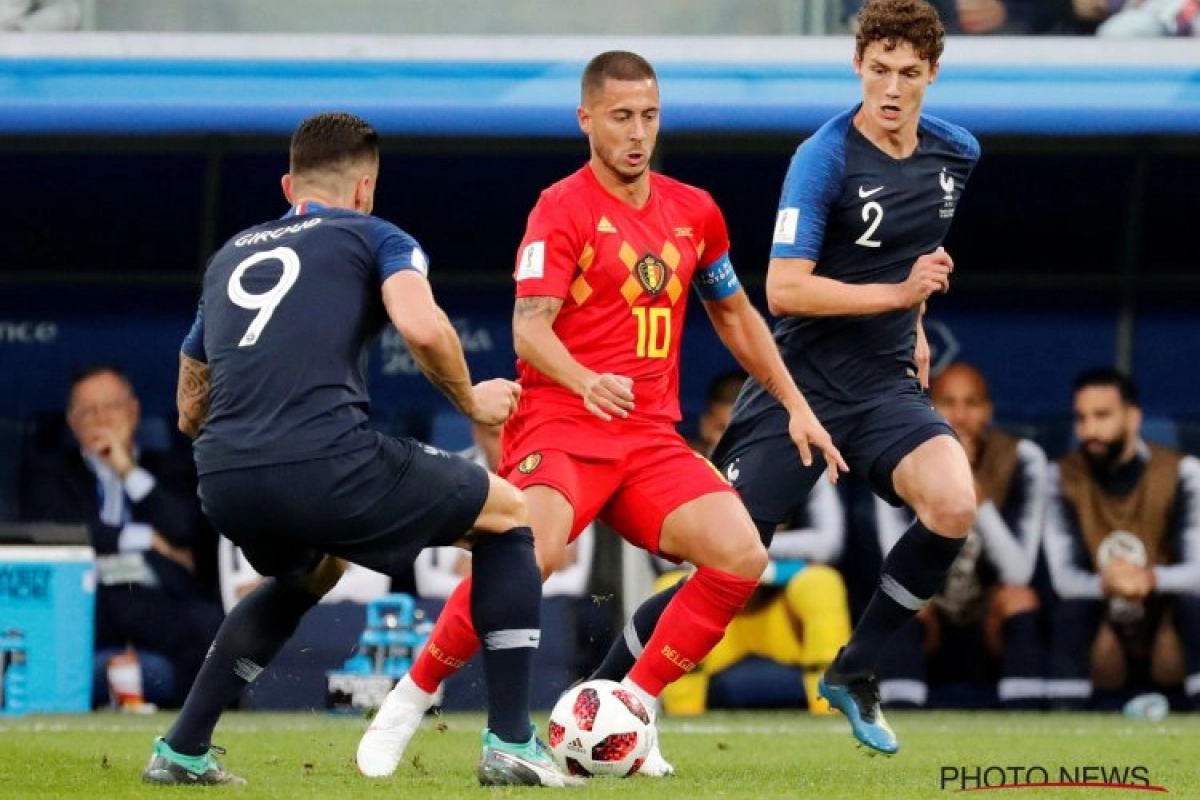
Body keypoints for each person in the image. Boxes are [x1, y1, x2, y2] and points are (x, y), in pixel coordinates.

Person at [356, 49, 845, 780]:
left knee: (741, 554)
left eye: (649, 116)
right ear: (586, 118)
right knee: (528, 556)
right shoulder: (561, 208)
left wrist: (797, 407)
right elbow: (529, 329)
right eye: (621, 117)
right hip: (562, 424)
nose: (638, 132)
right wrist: (585, 380)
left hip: (649, 438)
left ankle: (630, 713)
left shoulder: (694, 211)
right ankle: (409, 698)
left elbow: (736, 315)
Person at [141, 111, 580, 788]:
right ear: (366, 187)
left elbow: (188, 407)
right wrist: (469, 402)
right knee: (509, 515)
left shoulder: (229, 257)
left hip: (224, 478)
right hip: (326, 462)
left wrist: (252, 450)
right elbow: (420, 323)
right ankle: (513, 741)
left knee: (310, 572)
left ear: (290, 184)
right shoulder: (377, 235)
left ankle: (182, 748)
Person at [590, 0, 980, 757]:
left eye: (908, 73)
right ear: (856, 66)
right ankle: (601, 696)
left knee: (954, 503)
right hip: (798, 388)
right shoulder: (824, 156)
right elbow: (784, 291)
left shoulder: (957, 153)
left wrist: (917, 322)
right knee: (726, 562)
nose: (892, 88)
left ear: (933, 73)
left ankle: (855, 669)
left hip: (885, 383)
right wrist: (899, 296)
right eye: (878, 70)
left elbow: (915, 249)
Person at [20, 364, 223, 709]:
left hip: (159, 600)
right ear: (72, 420)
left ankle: (187, 730)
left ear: (133, 411)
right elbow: (60, 533)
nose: (102, 419)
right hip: (90, 601)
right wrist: (146, 539)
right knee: (107, 605)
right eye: (89, 410)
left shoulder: (173, 467)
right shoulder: (49, 470)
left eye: (111, 406)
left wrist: (126, 470)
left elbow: (184, 528)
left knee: (208, 625)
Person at [873, 362, 1047, 709]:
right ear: (927, 409)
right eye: (948, 403)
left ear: (989, 411)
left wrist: (975, 499)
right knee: (898, 600)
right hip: (929, 621)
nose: (960, 416)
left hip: (989, 624)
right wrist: (942, 493)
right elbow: (900, 568)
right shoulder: (896, 461)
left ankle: (1024, 722)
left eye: (972, 404)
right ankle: (902, 717)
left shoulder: (1024, 459)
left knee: (1021, 597)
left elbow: (1019, 572)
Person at [1043, 367, 1200, 710]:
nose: (1089, 430)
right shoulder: (1060, 476)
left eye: (1102, 416)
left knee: (1194, 605)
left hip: (1166, 627)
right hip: (1101, 629)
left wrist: (1148, 579)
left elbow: (1197, 571)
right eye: (1081, 418)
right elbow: (1063, 578)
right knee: (1070, 611)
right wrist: (1110, 584)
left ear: (1133, 418)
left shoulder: (1183, 472)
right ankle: (1064, 726)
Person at [654, 476, 850, 715]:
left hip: (783, 614)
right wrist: (739, 557)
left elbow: (828, 543)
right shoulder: (686, 463)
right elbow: (663, 548)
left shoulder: (805, 461)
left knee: (822, 583)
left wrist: (755, 558)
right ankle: (683, 717)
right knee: (673, 585)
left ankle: (830, 710)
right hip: (719, 616)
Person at [688, 369, 748, 455]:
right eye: (723, 430)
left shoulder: (771, 463)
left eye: (746, 431)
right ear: (706, 425)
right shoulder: (679, 463)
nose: (735, 444)